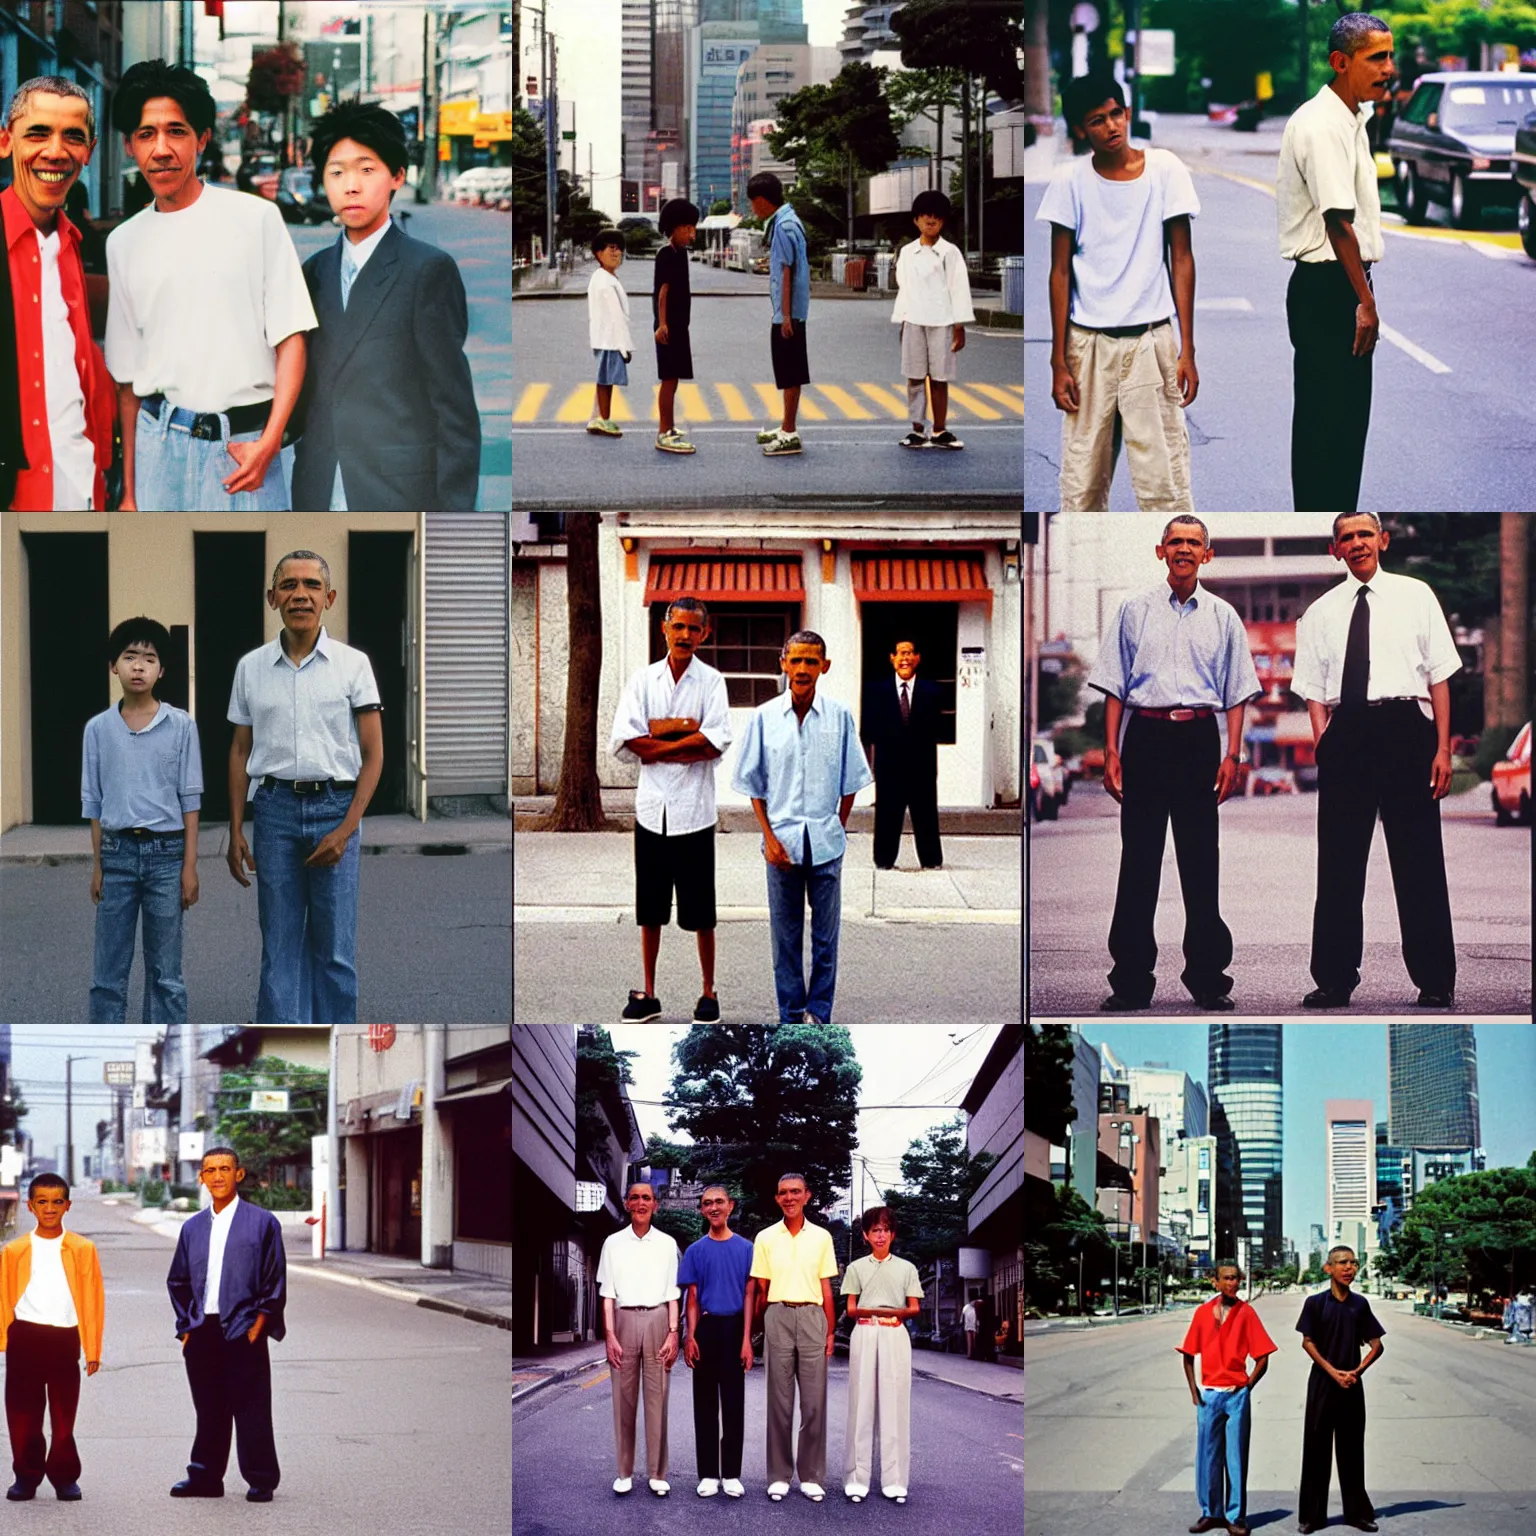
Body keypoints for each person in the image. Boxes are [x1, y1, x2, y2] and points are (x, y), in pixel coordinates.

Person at [106, 59, 315, 510]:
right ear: (129, 146)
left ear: (201, 138)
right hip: (158, 447)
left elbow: (292, 338)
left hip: (243, 450)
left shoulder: (255, 218)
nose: (161, 149)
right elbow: (127, 381)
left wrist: (271, 440)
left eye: (176, 131)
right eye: (146, 134)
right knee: (162, 580)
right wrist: (130, 490)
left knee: (256, 577)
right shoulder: (122, 242)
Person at [1086, 517, 1260, 1011]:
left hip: (1199, 741)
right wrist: (1112, 751)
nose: (1184, 549)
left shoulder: (1224, 617)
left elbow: (1237, 692)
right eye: (1176, 542)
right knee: (1138, 863)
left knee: (1201, 863)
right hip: (1146, 737)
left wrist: (1233, 754)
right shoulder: (1133, 610)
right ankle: (1131, 982)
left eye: (1194, 543)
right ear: (1160, 550)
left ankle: (1208, 978)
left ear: (1208, 554)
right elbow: (1115, 687)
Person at [1291, 512, 1460, 1009]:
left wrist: (1443, 748)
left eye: (1366, 534)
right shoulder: (1319, 612)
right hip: (1347, 735)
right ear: (1335, 549)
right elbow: (1314, 690)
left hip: (1408, 730)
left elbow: (1440, 677)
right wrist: (1325, 741)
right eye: (1348, 537)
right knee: (1339, 864)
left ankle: (1434, 980)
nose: (1358, 543)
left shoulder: (1416, 595)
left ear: (1382, 541)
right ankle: (1334, 979)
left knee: (1419, 859)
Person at [291, 100, 480, 511]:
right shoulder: (314, 272)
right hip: (318, 485)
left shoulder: (428, 270)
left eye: (367, 169)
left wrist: (454, 517)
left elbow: (454, 409)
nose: (351, 185)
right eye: (336, 172)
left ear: (397, 176)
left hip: (397, 493)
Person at [226, 551, 384, 1023]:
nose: (300, 594)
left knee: (334, 950)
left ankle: (335, 1041)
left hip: (335, 807)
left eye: (312, 585)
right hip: (273, 810)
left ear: (329, 598)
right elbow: (239, 750)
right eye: (289, 585)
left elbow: (374, 755)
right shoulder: (250, 668)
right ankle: (283, 1046)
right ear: (272, 597)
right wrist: (236, 830)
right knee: (279, 947)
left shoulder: (353, 666)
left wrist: (347, 827)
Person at [1037, 71, 1200, 512]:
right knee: (1082, 485)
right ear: (1078, 129)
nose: (1111, 127)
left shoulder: (1165, 170)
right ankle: (1085, 576)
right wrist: (1057, 361)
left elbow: (1181, 259)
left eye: (1115, 114)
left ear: (1127, 113)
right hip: (1087, 344)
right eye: (1097, 120)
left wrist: (1187, 350)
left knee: (1163, 485)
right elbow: (1059, 273)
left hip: (1151, 340)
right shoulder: (1070, 181)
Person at [1277, 14, 1394, 513]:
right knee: (1328, 433)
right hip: (1329, 288)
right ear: (1340, 62)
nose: (1389, 68)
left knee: (1343, 434)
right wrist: (1365, 303)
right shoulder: (1323, 124)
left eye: (1391, 56)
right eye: (1376, 58)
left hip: (1339, 282)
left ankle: (1330, 514)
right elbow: (1338, 223)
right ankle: (1321, 521)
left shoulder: (1351, 118)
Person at [732, 630, 873, 1024]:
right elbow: (754, 787)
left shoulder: (839, 716)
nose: (802, 669)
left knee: (826, 940)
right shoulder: (763, 719)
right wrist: (768, 837)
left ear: (824, 667)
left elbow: (851, 780)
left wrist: (838, 829)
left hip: (826, 844)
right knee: (786, 940)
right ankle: (792, 1015)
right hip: (781, 846)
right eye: (795, 660)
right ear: (783, 663)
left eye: (811, 661)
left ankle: (819, 1012)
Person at [609, 594, 732, 1023]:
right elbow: (628, 740)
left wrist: (660, 741)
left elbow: (714, 741)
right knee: (650, 906)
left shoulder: (712, 682)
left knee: (702, 909)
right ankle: (648, 992)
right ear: (664, 627)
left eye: (693, 628)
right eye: (678, 626)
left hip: (695, 811)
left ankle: (708, 991)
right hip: (652, 809)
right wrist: (686, 737)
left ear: (705, 633)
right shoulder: (643, 681)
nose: (685, 635)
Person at [0, 76, 117, 509]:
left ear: (89, 150)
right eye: (38, 132)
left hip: (83, 489)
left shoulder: (70, 245)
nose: (55, 150)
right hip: (17, 498)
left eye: (73, 136)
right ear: (5, 141)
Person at [82, 616, 202, 1022]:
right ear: (113, 665)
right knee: (107, 975)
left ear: (162, 670)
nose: (138, 666)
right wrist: (98, 866)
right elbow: (93, 802)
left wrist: (189, 866)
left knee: (166, 974)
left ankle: (165, 1062)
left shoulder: (182, 726)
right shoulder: (97, 730)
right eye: (129, 656)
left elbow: (190, 799)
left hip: (167, 857)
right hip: (115, 855)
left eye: (148, 658)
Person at [166, 1147, 287, 1502]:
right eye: (210, 1170)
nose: (217, 1176)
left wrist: (258, 1325)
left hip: (244, 1327)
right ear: (201, 1178)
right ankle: (205, 1477)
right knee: (208, 1407)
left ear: (239, 1174)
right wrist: (187, 1328)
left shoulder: (262, 1222)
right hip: (203, 1329)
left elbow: (273, 1278)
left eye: (225, 1168)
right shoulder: (192, 1228)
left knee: (251, 1406)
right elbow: (178, 1280)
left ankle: (261, 1477)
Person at [0, 1174, 103, 1503]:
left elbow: (92, 1298)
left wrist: (92, 1349)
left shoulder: (82, 1249)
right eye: (41, 1202)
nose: (49, 1208)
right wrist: (3, 1340)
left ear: (67, 1206)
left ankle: (64, 1476)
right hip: (25, 1336)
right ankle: (26, 1476)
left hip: (63, 1338)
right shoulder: (14, 1250)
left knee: (62, 1417)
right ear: (30, 1206)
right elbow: (3, 1298)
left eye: (57, 1202)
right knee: (23, 1415)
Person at [750, 1173, 839, 1502]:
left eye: (795, 1192)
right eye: (783, 1192)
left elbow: (827, 1289)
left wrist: (829, 1331)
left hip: (813, 1316)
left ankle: (812, 1475)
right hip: (778, 1314)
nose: (789, 1197)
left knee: (814, 1402)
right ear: (777, 1198)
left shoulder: (821, 1237)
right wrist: (760, 1327)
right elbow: (761, 1288)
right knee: (779, 1401)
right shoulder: (765, 1238)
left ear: (807, 1196)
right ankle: (778, 1475)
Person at [1176, 1261, 1277, 1536]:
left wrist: (1247, 1387)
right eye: (1227, 1279)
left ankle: (1235, 1516)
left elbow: (1263, 1357)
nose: (1232, 1283)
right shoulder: (1202, 1313)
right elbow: (1187, 1354)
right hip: (1209, 1394)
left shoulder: (1246, 1313)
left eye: (1236, 1279)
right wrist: (1193, 1390)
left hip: (1236, 1395)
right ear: (1215, 1282)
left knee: (1235, 1457)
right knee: (1208, 1457)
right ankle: (1210, 1513)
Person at [596, 1183, 680, 1498]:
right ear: (627, 1203)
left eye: (647, 1197)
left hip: (659, 1318)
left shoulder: (667, 1244)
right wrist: (610, 1335)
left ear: (655, 1205)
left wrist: (674, 1332)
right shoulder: (612, 1243)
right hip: (624, 1318)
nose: (641, 1202)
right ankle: (624, 1472)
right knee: (624, 1399)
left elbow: (673, 1293)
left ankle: (658, 1473)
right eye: (635, 1197)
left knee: (657, 1398)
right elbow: (607, 1294)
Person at [1295, 1246, 1384, 1534]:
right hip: (1322, 1383)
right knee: (1316, 1449)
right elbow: (1307, 1342)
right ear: (1328, 1269)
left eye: (1353, 1263)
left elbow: (1377, 1345)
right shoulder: (1315, 1304)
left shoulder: (1360, 1305)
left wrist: (1356, 1371)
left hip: (1351, 1385)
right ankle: (1312, 1516)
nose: (1349, 1268)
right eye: (1342, 1263)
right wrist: (1333, 1372)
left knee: (1351, 1450)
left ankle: (1356, 1514)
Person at [840, 1206, 922, 1505]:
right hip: (864, 1331)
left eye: (885, 1230)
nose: (880, 1235)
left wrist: (888, 1312)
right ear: (865, 1234)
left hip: (894, 1334)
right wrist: (880, 1310)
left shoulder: (907, 1268)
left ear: (893, 1234)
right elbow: (851, 1309)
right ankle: (856, 1478)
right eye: (875, 1230)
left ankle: (895, 1480)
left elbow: (913, 1308)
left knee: (895, 1404)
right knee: (861, 1404)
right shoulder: (856, 1268)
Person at [679, 1186, 755, 1499]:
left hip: (735, 1326)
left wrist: (748, 1339)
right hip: (706, 1327)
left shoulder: (747, 1248)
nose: (714, 1207)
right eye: (707, 1203)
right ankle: (709, 1473)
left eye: (719, 1202)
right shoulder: (696, 1250)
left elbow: (751, 1294)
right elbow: (692, 1298)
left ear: (731, 1206)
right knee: (705, 1403)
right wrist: (690, 1336)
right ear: (701, 1210)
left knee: (734, 1403)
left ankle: (732, 1474)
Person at [891, 189, 974, 449]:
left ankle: (939, 430)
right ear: (916, 220)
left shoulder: (950, 253)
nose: (931, 220)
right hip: (914, 321)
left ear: (943, 221)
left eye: (936, 217)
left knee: (939, 378)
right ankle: (917, 429)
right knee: (914, 377)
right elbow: (903, 286)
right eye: (925, 215)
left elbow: (959, 289)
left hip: (942, 323)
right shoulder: (906, 253)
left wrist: (959, 326)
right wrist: (903, 320)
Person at [861, 637, 944, 870]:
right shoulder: (875, 690)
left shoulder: (933, 691)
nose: (905, 658)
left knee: (926, 813)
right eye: (900, 654)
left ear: (917, 658)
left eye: (909, 653)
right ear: (892, 658)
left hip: (922, 765)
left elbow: (938, 728)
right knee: (887, 814)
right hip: (889, 765)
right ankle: (884, 860)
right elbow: (868, 728)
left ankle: (931, 860)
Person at [746, 171, 809, 457]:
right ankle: (786, 425)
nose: (752, 208)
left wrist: (784, 317)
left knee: (790, 372)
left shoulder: (783, 227)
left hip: (788, 314)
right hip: (792, 311)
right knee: (789, 372)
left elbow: (786, 271)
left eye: (752, 203)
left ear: (762, 200)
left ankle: (789, 432)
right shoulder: (789, 220)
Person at [653, 198, 699, 454]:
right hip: (668, 327)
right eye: (688, 229)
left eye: (693, 228)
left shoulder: (681, 254)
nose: (692, 234)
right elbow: (663, 292)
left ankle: (670, 427)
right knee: (668, 380)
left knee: (675, 378)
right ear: (674, 227)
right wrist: (662, 324)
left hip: (680, 326)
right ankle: (663, 431)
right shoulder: (666, 254)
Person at [585, 227, 632, 438]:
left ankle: (598, 416)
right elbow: (616, 317)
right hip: (610, 339)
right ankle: (603, 419)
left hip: (606, 337)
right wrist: (624, 347)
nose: (616, 253)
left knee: (604, 379)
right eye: (611, 248)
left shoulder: (604, 277)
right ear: (598, 253)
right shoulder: (604, 280)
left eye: (619, 249)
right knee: (606, 380)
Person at [961, 1293, 978, 1359]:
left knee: (969, 1341)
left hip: (968, 1325)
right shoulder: (977, 1305)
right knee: (974, 1341)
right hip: (974, 1325)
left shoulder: (966, 1307)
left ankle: (969, 1354)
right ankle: (974, 1354)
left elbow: (962, 1316)